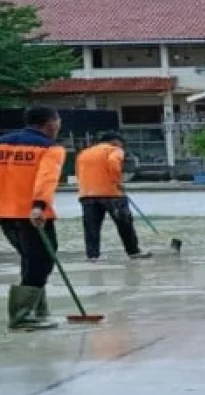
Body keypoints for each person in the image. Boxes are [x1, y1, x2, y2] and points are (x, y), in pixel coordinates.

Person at [0, 104, 66, 332]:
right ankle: (21, 316)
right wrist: (39, 206)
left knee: (30, 259)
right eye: (58, 121)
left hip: (5, 214)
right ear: (51, 123)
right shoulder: (51, 148)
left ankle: (38, 309)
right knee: (42, 259)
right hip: (31, 214)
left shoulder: (2, 143)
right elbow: (46, 179)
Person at [75, 132, 151, 261]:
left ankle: (92, 256)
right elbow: (113, 162)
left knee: (91, 227)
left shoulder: (83, 153)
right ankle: (133, 252)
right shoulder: (114, 150)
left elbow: (78, 173)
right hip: (111, 194)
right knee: (124, 224)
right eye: (122, 144)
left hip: (87, 194)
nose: (122, 147)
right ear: (115, 141)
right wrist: (118, 181)